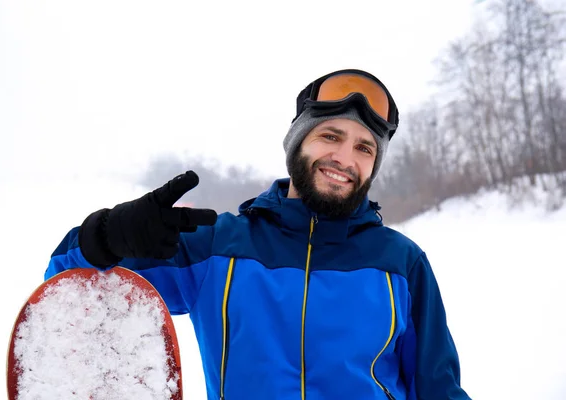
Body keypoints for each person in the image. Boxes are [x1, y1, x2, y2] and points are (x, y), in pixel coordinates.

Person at [45, 68, 471, 400]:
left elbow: (438, 389)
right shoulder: (219, 246)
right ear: (297, 143)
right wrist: (108, 235)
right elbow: (66, 288)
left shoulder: (400, 263)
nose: (345, 158)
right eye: (331, 136)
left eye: (365, 148)